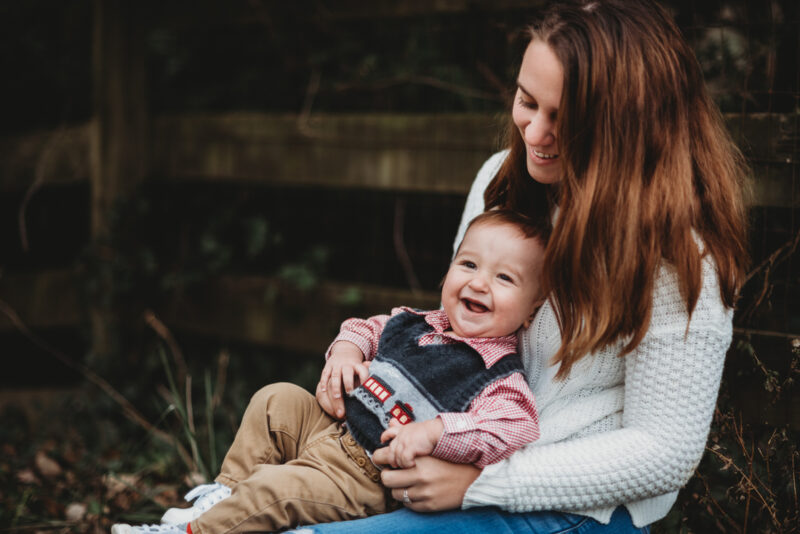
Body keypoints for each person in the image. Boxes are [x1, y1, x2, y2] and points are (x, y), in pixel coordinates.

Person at [286, 0, 750, 532]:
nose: (533, 134)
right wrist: (361, 358)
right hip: (450, 460)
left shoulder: (678, 255)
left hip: (574, 507)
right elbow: (459, 338)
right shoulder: (500, 181)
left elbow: (664, 451)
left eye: (565, 120)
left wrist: (482, 482)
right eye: (527, 102)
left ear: (626, 127)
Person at [111, 209, 549, 534]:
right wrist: (344, 353)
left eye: (504, 278)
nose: (478, 283)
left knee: (277, 487)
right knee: (276, 399)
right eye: (468, 265)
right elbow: (363, 328)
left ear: (531, 310)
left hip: (363, 478)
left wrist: (434, 432)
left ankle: (193, 533)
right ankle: (225, 495)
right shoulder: (416, 322)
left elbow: (512, 428)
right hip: (332, 430)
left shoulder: (499, 378)